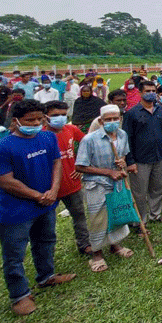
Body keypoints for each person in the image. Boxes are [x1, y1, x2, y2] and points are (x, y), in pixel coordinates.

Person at [0, 100, 75, 315]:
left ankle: (46, 276)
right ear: (15, 121)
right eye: (29, 120)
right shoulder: (1, 149)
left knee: (46, 241)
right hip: (17, 210)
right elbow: (6, 181)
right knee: (14, 254)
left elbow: (56, 163)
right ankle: (19, 295)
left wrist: (53, 190)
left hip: (46, 203)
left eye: (39, 119)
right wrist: (37, 195)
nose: (35, 123)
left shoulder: (48, 137)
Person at [75, 105, 136, 273]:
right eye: (108, 120)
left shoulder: (122, 135)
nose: (112, 122)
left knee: (116, 212)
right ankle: (96, 254)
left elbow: (123, 154)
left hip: (117, 183)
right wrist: (108, 172)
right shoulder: (90, 139)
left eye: (115, 118)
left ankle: (115, 246)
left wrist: (122, 162)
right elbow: (80, 166)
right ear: (101, 121)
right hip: (97, 185)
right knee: (98, 219)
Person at [122, 81, 162, 228]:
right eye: (147, 91)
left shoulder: (160, 111)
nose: (151, 93)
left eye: (153, 90)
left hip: (158, 157)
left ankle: (155, 214)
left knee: (157, 188)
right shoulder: (132, 113)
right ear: (140, 93)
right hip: (140, 160)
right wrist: (130, 160)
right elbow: (127, 138)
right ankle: (140, 221)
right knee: (139, 192)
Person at [43, 101, 91, 255]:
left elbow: (88, 144)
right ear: (45, 117)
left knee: (79, 215)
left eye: (63, 115)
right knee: (47, 223)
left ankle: (84, 244)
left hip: (73, 183)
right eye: (55, 115)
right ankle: (47, 253)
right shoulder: (40, 135)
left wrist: (81, 165)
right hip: (48, 188)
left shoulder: (71, 129)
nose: (60, 118)